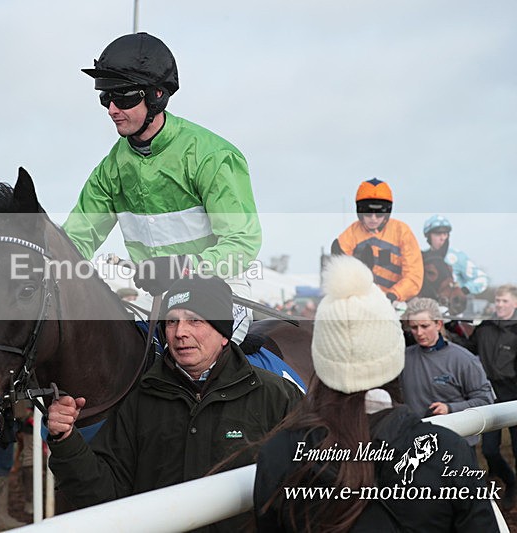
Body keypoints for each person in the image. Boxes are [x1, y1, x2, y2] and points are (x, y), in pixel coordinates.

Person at [254, 256, 497, 531]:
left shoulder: (279, 453)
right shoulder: (448, 451)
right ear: (393, 357)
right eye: (413, 328)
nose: (419, 333)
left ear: (321, 360)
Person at [46, 275, 303, 531]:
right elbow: (103, 495)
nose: (181, 332)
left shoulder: (277, 395)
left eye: (195, 320)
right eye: (172, 321)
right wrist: (66, 440)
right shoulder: (140, 400)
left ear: (224, 333)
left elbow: (308, 490)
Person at [62, 32, 261, 344]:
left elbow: (242, 243)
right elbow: (74, 241)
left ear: (156, 95)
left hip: (221, 291)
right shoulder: (109, 170)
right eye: (105, 97)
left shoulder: (213, 156)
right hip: (155, 298)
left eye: (123, 97)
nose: (112, 108)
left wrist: (182, 268)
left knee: (189, 355)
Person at [400, 297, 493, 456]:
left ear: (438, 324)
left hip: (456, 445)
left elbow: (486, 400)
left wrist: (450, 408)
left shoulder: (463, 359)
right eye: (414, 327)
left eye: (425, 326)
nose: (419, 333)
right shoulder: (403, 359)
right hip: (416, 445)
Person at [332, 178, 424, 303]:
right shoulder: (350, 235)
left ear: (387, 213)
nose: (373, 219)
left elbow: (414, 275)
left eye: (379, 215)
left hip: (396, 301)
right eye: (368, 214)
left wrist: (393, 295)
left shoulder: (402, 231)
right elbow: (341, 272)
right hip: (360, 299)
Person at [468, 283, 517, 509]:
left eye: (504, 301)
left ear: (515, 303)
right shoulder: (484, 327)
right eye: (497, 301)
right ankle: (509, 480)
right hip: (490, 396)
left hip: (514, 396)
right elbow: (467, 349)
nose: (499, 304)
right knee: (488, 449)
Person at [422, 215, 489, 295]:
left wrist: (464, 290)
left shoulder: (457, 257)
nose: (442, 238)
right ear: (428, 236)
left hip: (451, 305)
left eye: (445, 234)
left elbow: (482, 279)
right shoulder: (421, 257)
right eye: (438, 234)